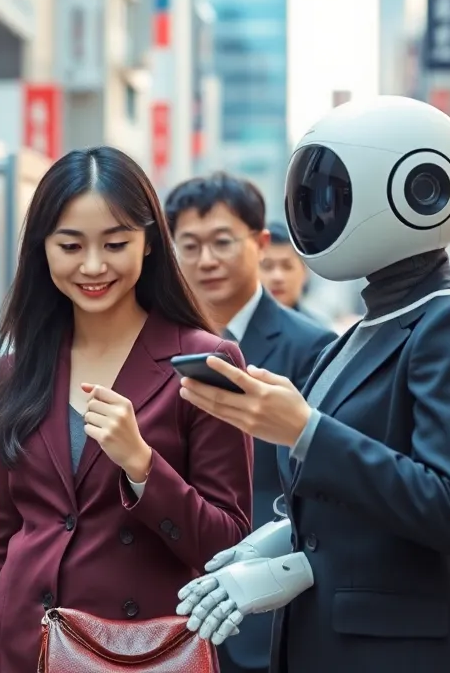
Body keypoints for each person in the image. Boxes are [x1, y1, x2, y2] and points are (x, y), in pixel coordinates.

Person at [175, 96, 450, 673]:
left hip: (407, 653)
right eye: (311, 196)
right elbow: (350, 500)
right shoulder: (360, 332)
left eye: (333, 194)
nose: (316, 211)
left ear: (421, 189)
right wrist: (279, 542)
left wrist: (303, 428)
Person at [0, 146, 254, 672]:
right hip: (18, 648)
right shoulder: (20, 365)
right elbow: (8, 540)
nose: (93, 266)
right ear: (43, 250)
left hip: (132, 655)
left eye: (115, 243)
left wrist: (142, 466)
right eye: (70, 245)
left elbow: (227, 542)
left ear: (148, 245)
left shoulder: (206, 361)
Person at [163, 172, 337, 673]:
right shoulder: (155, 343)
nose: (206, 260)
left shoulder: (313, 347)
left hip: (268, 598)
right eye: (189, 245)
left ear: (260, 243)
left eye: (222, 242)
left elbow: (317, 478)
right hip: (171, 596)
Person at [260, 221, 332, 328]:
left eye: (287, 266)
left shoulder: (318, 334)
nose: (277, 277)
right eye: (267, 266)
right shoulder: (234, 329)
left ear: (305, 272)